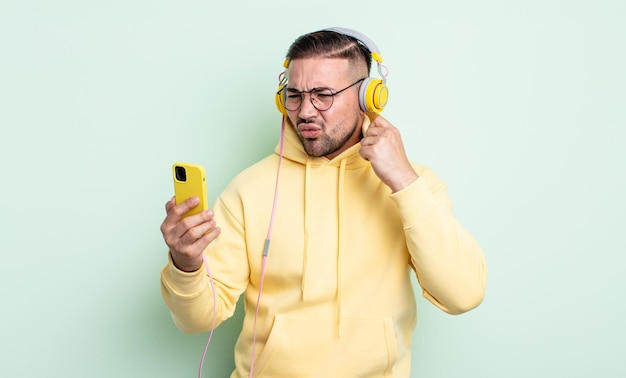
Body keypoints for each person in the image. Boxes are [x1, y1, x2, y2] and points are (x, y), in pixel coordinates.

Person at [160, 27, 487, 378]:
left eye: (323, 95)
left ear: (368, 97)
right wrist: (186, 265)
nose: (305, 111)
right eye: (295, 95)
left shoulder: (414, 185)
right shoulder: (249, 189)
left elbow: (462, 295)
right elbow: (197, 320)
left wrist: (403, 181)